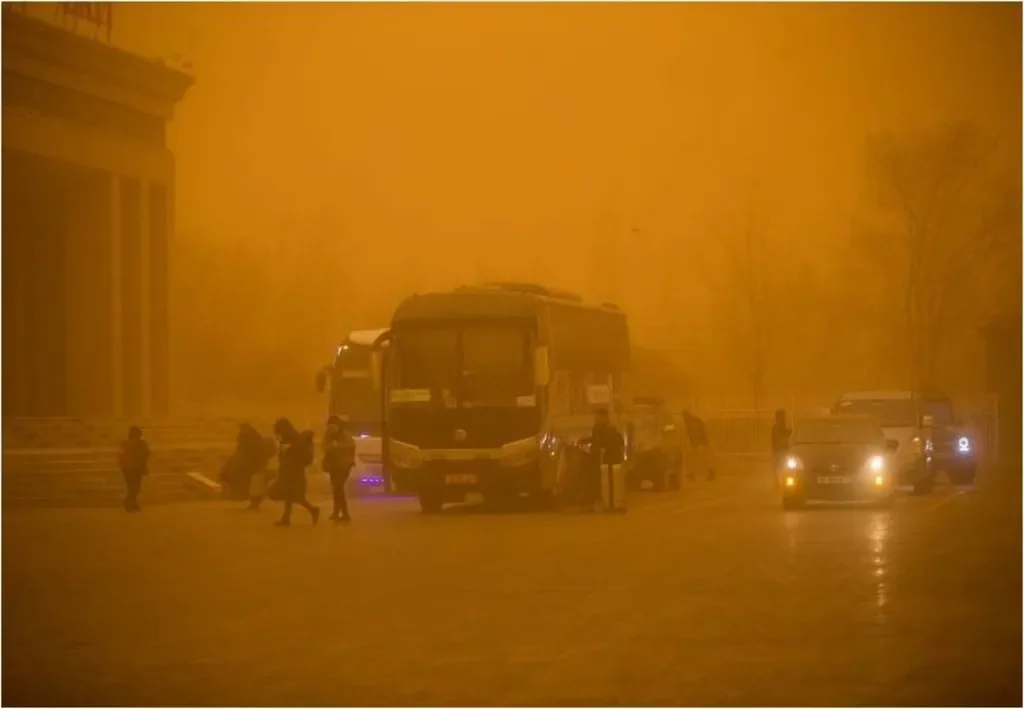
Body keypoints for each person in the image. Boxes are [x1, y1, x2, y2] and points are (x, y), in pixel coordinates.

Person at [270, 418, 320, 527]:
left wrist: (288, 450)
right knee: (291, 496)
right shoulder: (289, 438)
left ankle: (310, 511)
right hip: (289, 471)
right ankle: (289, 517)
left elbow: (295, 455)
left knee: (293, 496)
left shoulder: (292, 439)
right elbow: (282, 457)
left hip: (294, 472)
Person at [582, 407, 626, 511]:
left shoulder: (610, 429)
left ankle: (610, 502)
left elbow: (609, 443)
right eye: (596, 417)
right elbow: (595, 440)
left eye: (599, 417)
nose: (597, 419)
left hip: (608, 460)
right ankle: (599, 501)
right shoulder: (596, 427)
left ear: (605, 417)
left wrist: (602, 449)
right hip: (597, 458)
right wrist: (584, 441)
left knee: (608, 481)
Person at [322, 415, 355, 522]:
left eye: (333, 427)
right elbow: (325, 447)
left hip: (344, 465)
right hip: (333, 465)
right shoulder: (328, 435)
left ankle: (345, 513)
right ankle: (337, 512)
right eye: (329, 427)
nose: (331, 429)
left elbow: (350, 445)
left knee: (338, 488)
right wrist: (332, 446)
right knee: (336, 489)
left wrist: (337, 446)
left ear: (338, 426)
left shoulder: (345, 435)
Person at [118, 425, 150, 513]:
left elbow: (121, 455)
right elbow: (145, 454)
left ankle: (131, 503)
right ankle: (130, 504)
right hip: (135, 468)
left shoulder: (126, 443)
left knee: (132, 486)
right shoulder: (140, 443)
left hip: (127, 468)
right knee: (134, 487)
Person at [246, 427, 278, 511]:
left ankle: (255, 503)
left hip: (260, 470)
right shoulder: (264, 448)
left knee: (257, 487)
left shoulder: (261, 448)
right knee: (258, 488)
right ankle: (255, 503)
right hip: (261, 470)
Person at [682, 409, 715, 482]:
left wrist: (697, 444)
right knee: (700, 459)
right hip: (701, 443)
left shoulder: (691, 422)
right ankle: (693, 474)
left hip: (699, 444)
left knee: (699, 459)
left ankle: (710, 474)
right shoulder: (695, 420)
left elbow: (694, 434)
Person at [770, 409, 792, 490]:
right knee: (778, 467)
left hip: (783, 451)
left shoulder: (784, 428)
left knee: (783, 467)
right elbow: (776, 440)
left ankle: (782, 483)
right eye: (782, 417)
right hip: (778, 451)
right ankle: (777, 484)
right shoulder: (776, 428)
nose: (784, 419)